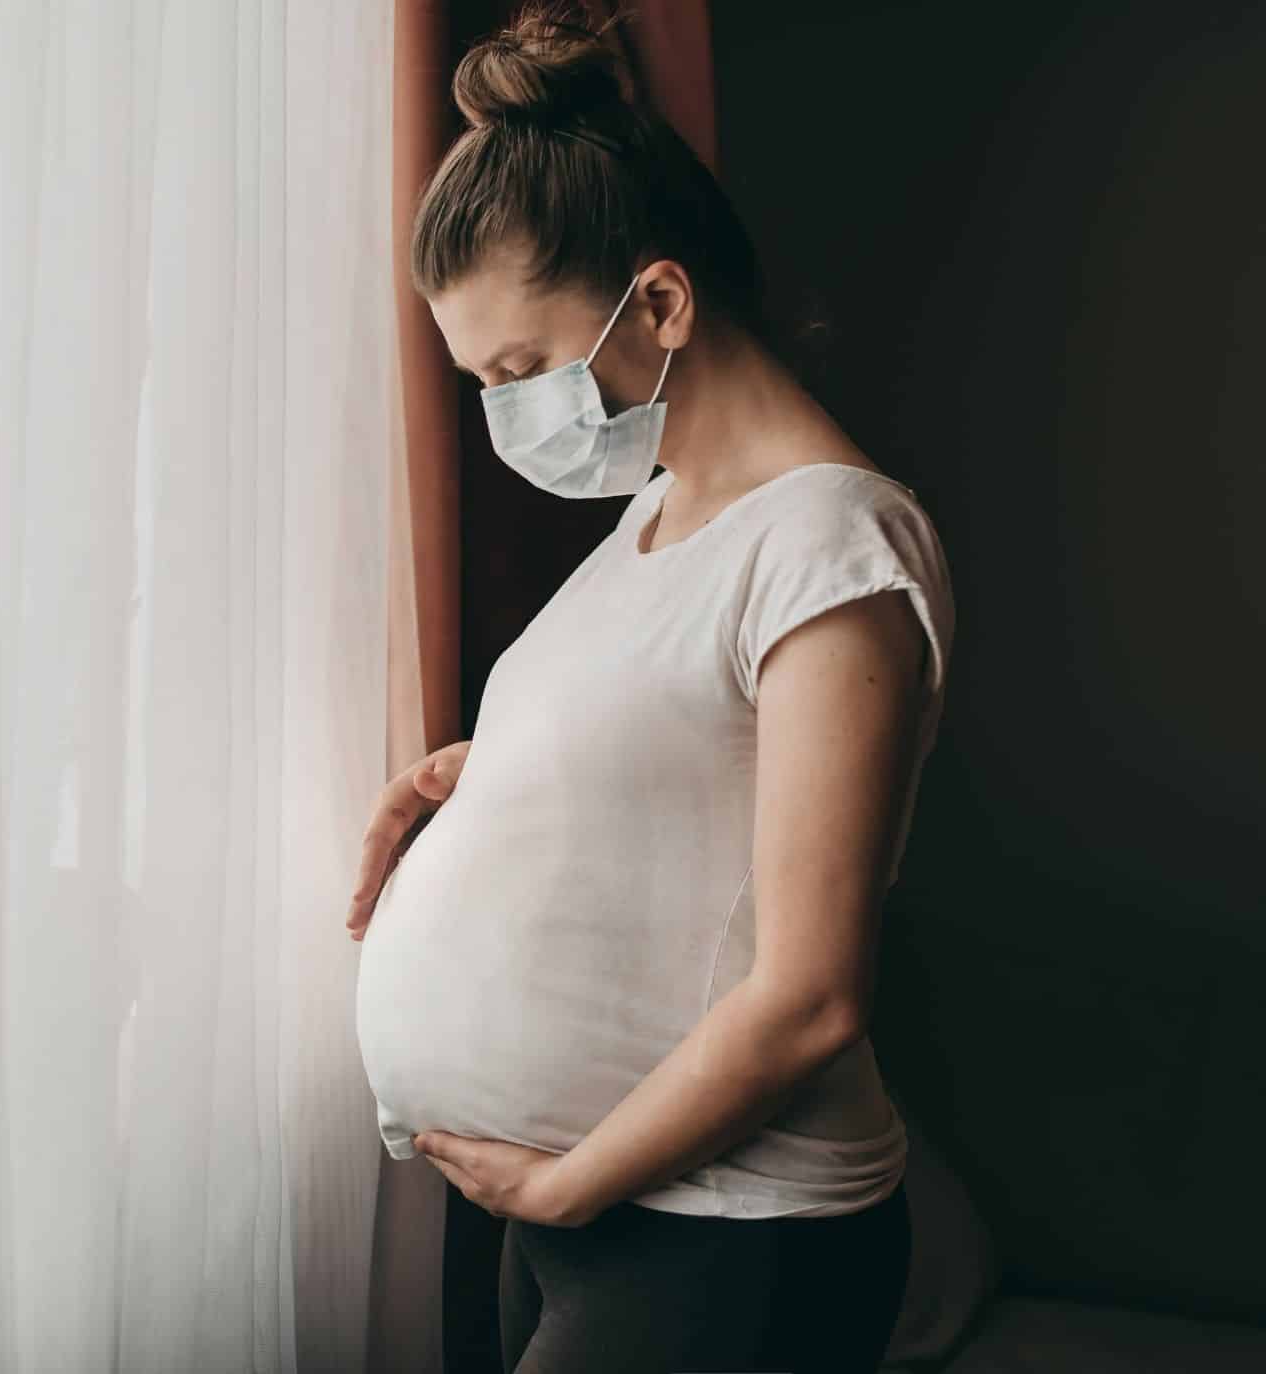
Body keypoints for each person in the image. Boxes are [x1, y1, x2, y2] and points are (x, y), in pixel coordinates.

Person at [348, 5, 956, 1372]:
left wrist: (567, 1184)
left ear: (664, 302)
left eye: (519, 370)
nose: (509, 415)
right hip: (597, 1219)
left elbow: (811, 994)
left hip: (733, 1237)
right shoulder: (658, 511)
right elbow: (690, 746)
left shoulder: (830, 547)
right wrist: (487, 767)